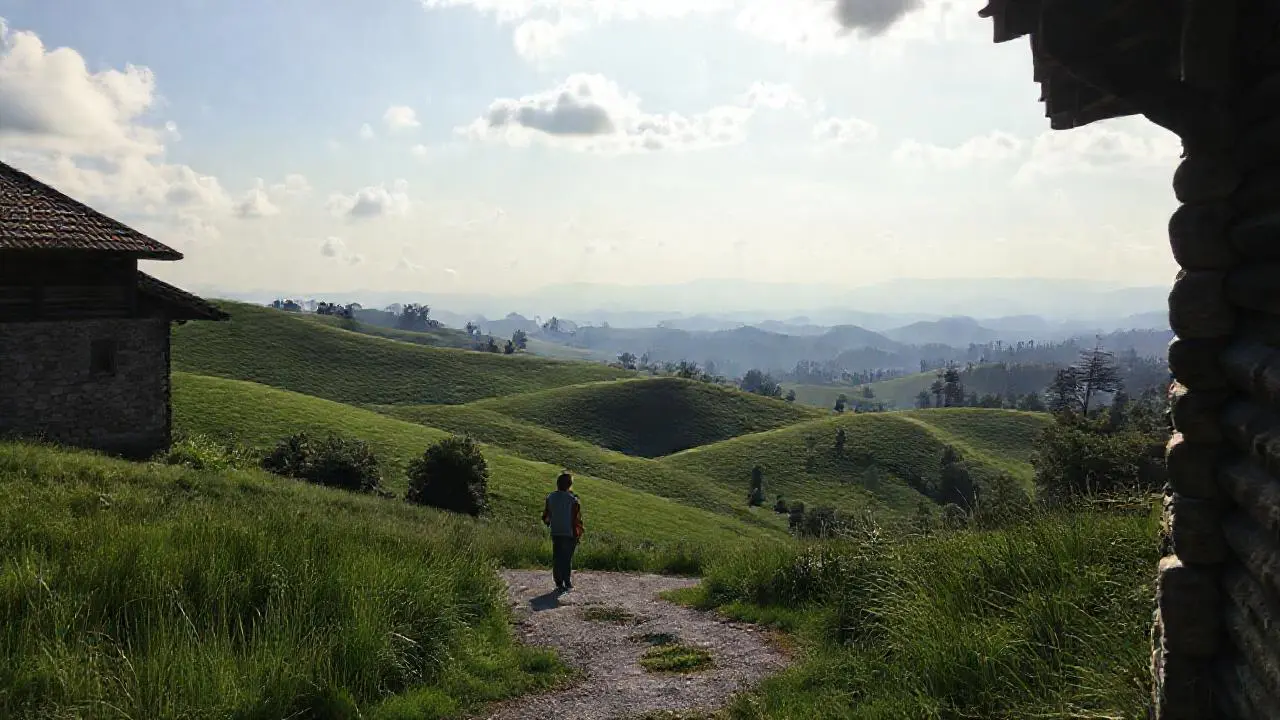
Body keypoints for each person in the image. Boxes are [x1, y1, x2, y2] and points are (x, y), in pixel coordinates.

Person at [542, 471, 584, 591]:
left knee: (557, 556)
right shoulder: (573, 500)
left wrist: (550, 523)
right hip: (569, 532)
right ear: (569, 485)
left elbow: (546, 516)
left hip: (556, 531)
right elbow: (576, 519)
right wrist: (578, 533)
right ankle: (567, 581)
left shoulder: (550, 497)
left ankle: (558, 581)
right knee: (567, 557)